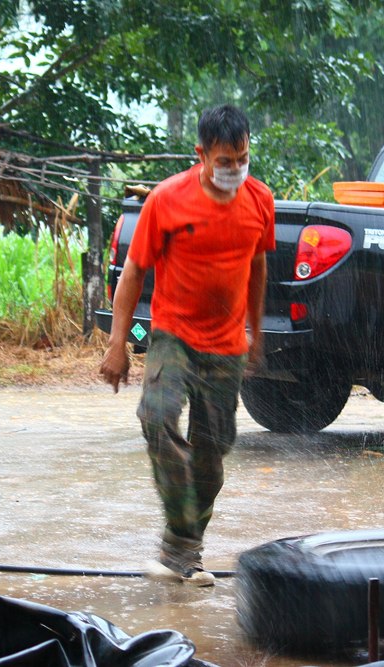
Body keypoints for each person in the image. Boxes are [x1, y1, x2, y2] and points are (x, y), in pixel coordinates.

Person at [99, 104, 275, 586]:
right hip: (173, 335)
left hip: (226, 346)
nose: (235, 169)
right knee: (155, 418)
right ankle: (180, 543)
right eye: (225, 160)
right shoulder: (166, 200)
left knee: (213, 452)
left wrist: (255, 332)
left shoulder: (260, 200)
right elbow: (133, 272)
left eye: (242, 158)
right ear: (200, 155)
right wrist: (118, 344)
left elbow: (258, 269)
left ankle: (185, 552)